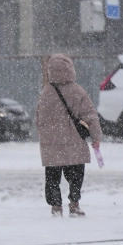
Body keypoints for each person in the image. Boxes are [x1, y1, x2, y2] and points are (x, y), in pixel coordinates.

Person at [36, 54, 103, 217]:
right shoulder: (77, 91)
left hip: (51, 143)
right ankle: (74, 204)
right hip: (74, 141)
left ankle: (56, 207)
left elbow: (39, 119)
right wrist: (96, 137)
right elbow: (90, 115)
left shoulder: (46, 92)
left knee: (52, 177)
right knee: (76, 174)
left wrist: (47, 135)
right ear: (70, 69)